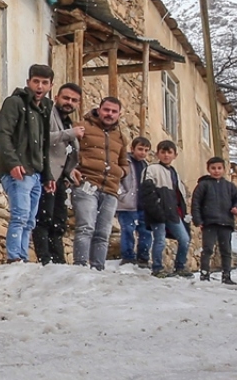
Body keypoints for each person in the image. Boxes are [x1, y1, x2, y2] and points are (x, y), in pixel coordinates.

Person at [0, 64, 56, 264]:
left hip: (36, 172)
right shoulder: (15, 103)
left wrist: (48, 175)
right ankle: (14, 258)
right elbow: (3, 134)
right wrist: (13, 162)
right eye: (36, 81)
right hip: (19, 169)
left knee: (29, 220)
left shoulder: (45, 109)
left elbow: (44, 146)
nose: (40, 86)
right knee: (20, 215)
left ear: (51, 86)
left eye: (44, 83)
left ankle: (23, 257)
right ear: (28, 82)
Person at [70, 96, 129, 271]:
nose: (109, 114)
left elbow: (124, 163)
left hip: (111, 189)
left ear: (119, 114)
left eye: (114, 111)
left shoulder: (120, 137)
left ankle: (98, 270)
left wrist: (121, 172)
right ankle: (80, 268)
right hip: (87, 184)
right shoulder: (83, 127)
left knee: (103, 234)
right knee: (85, 227)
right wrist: (73, 169)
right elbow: (68, 150)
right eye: (106, 110)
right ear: (99, 109)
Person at [32, 83, 82, 265]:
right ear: (56, 98)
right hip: (47, 174)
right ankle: (45, 260)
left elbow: (66, 151)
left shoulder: (68, 122)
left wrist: (70, 171)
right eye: (66, 98)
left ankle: (58, 262)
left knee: (59, 222)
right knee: (43, 219)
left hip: (61, 179)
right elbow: (43, 138)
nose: (69, 102)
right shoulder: (48, 114)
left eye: (74, 100)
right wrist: (70, 134)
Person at [140, 140, 192, 278]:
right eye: (163, 152)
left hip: (173, 213)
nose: (166, 155)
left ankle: (180, 266)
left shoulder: (175, 173)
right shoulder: (152, 169)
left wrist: (183, 213)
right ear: (157, 154)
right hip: (157, 212)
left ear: (175, 155)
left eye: (169, 152)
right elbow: (147, 192)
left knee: (184, 239)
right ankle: (157, 268)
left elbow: (179, 196)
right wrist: (156, 210)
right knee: (160, 240)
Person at [191, 156, 237, 284]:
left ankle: (226, 276)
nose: (216, 171)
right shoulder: (203, 185)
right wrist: (198, 220)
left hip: (226, 222)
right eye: (213, 168)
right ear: (208, 169)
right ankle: (204, 274)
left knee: (226, 251)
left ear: (224, 169)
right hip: (209, 223)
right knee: (208, 249)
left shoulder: (230, 186)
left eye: (219, 168)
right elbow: (196, 203)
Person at [116, 137, 152, 267]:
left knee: (146, 232)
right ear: (132, 149)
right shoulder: (124, 162)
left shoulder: (146, 166)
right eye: (140, 149)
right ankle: (128, 257)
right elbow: (117, 179)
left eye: (146, 150)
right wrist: (121, 194)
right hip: (127, 205)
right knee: (128, 230)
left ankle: (143, 258)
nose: (143, 153)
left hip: (142, 206)